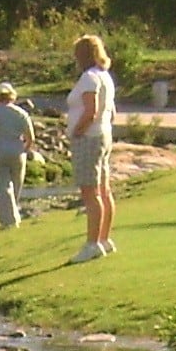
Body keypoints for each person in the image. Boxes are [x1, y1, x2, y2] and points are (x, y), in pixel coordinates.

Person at [66, 34, 118, 262]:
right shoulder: (104, 76)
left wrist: (77, 131)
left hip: (88, 138)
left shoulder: (88, 78)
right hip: (104, 135)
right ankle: (104, 238)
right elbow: (111, 112)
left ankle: (92, 243)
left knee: (90, 192)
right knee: (104, 190)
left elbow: (90, 110)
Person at [0, 83, 34, 229]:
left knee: (2, 187)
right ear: (12, 96)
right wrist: (25, 149)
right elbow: (31, 137)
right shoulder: (21, 113)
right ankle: (13, 216)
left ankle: (9, 220)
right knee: (16, 185)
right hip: (17, 151)